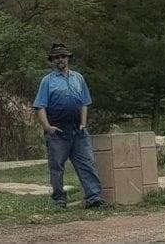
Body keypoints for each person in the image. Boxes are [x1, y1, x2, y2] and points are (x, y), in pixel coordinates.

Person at [33, 43, 105, 208]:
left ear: (68, 58)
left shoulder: (78, 78)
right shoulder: (47, 81)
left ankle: (94, 198)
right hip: (57, 131)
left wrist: (83, 123)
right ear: (53, 60)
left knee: (86, 163)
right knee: (57, 166)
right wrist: (47, 127)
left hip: (78, 130)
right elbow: (40, 106)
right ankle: (59, 199)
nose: (60, 60)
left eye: (63, 56)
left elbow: (84, 103)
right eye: (57, 57)